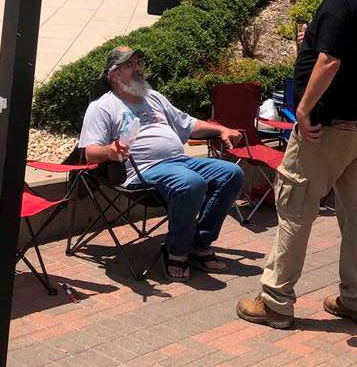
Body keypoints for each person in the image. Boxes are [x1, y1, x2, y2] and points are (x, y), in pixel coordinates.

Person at [237, 0, 357, 330]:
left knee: (296, 207)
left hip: (326, 129)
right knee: (356, 214)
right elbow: (342, 54)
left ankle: (276, 300)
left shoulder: (336, 2)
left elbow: (331, 61)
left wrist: (303, 109)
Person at [79, 45, 245, 281]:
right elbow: (90, 153)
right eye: (129, 65)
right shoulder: (102, 108)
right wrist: (111, 149)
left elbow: (188, 124)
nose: (138, 69)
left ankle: (198, 244)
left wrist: (221, 129)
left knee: (231, 173)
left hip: (180, 161)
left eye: (139, 63)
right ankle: (176, 252)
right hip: (143, 170)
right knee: (191, 183)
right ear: (113, 74)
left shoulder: (154, 97)